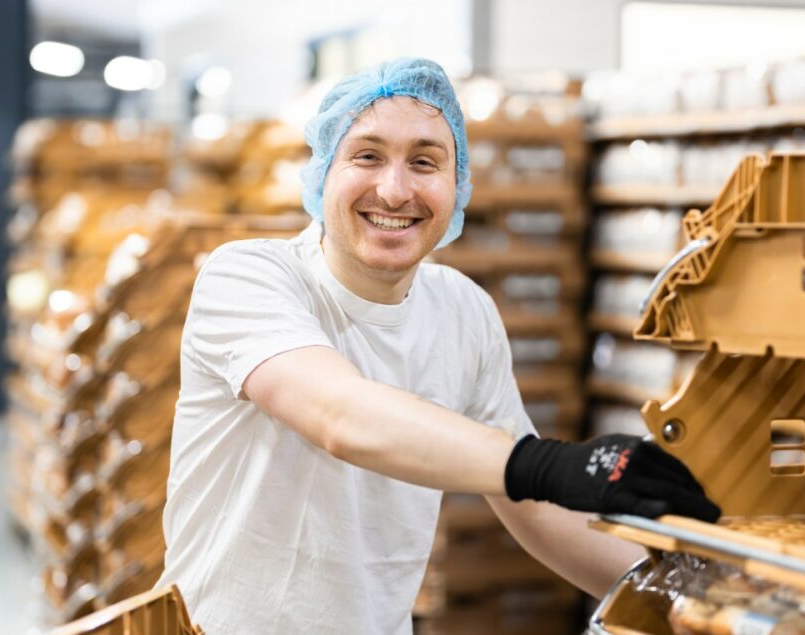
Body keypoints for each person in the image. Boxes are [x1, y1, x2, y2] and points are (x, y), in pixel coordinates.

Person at [155, 57, 719, 634]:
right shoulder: (248, 277)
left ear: (458, 184)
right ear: (324, 170)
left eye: (425, 162)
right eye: (367, 156)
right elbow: (340, 415)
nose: (395, 190)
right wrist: (548, 464)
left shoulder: (462, 311)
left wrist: (702, 601)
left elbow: (531, 506)